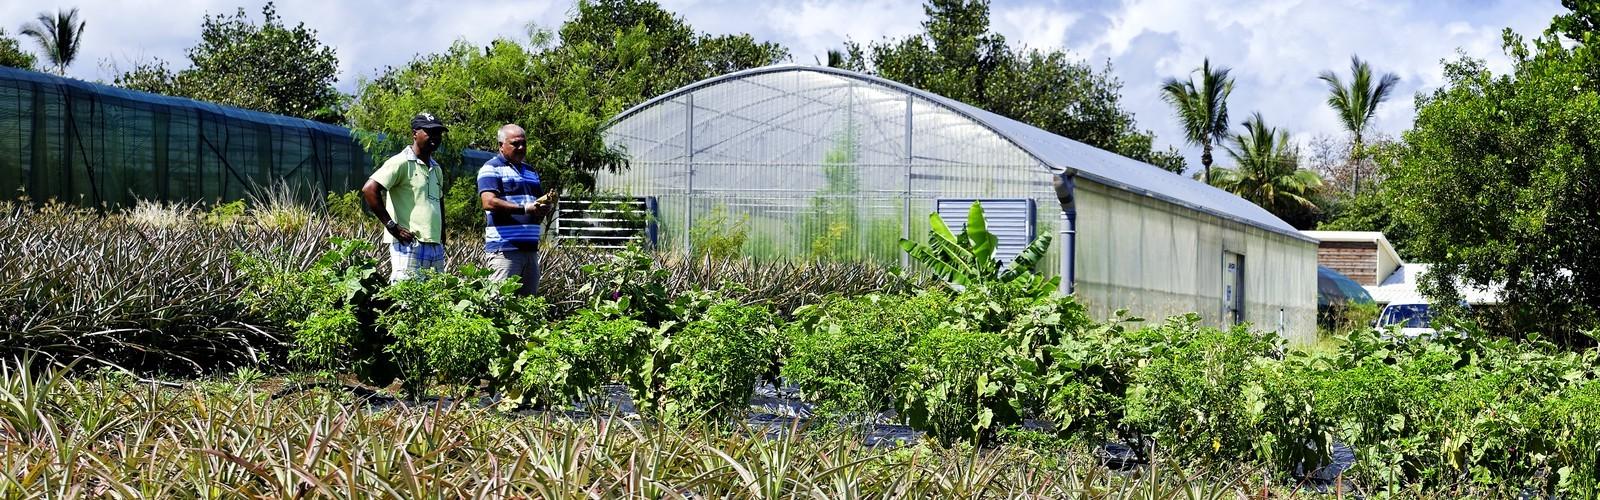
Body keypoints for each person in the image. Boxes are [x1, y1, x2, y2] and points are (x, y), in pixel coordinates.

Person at [362, 112, 447, 281]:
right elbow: (369, 189)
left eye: (438, 133)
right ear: (415, 133)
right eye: (429, 132)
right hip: (409, 243)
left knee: (435, 300)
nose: (435, 137)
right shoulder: (401, 162)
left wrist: (442, 233)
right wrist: (392, 226)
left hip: (434, 244)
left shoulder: (436, 169)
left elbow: (440, 201)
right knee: (406, 299)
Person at [477, 123, 558, 295]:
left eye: (524, 143)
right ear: (501, 145)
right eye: (515, 143)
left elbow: (536, 203)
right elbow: (489, 202)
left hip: (530, 250)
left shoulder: (530, 171)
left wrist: (544, 208)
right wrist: (524, 209)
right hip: (505, 250)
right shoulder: (491, 168)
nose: (521, 147)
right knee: (499, 305)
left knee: (528, 309)